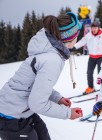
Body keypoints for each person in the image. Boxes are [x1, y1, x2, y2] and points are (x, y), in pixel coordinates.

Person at [0, 12, 83, 140]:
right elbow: (37, 103)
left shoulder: (48, 52)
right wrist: (68, 113)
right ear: (70, 37)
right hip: (11, 116)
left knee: (42, 134)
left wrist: (57, 98)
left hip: (22, 112)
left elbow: (37, 85)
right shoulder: (52, 60)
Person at [73, 18, 102, 94]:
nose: (93, 30)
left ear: (98, 28)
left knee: (101, 73)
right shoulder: (88, 36)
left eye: (95, 28)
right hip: (92, 57)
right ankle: (91, 87)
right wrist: (74, 47)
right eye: (92, 28)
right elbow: (82, 42)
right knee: (89, 73)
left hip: (101, 57)